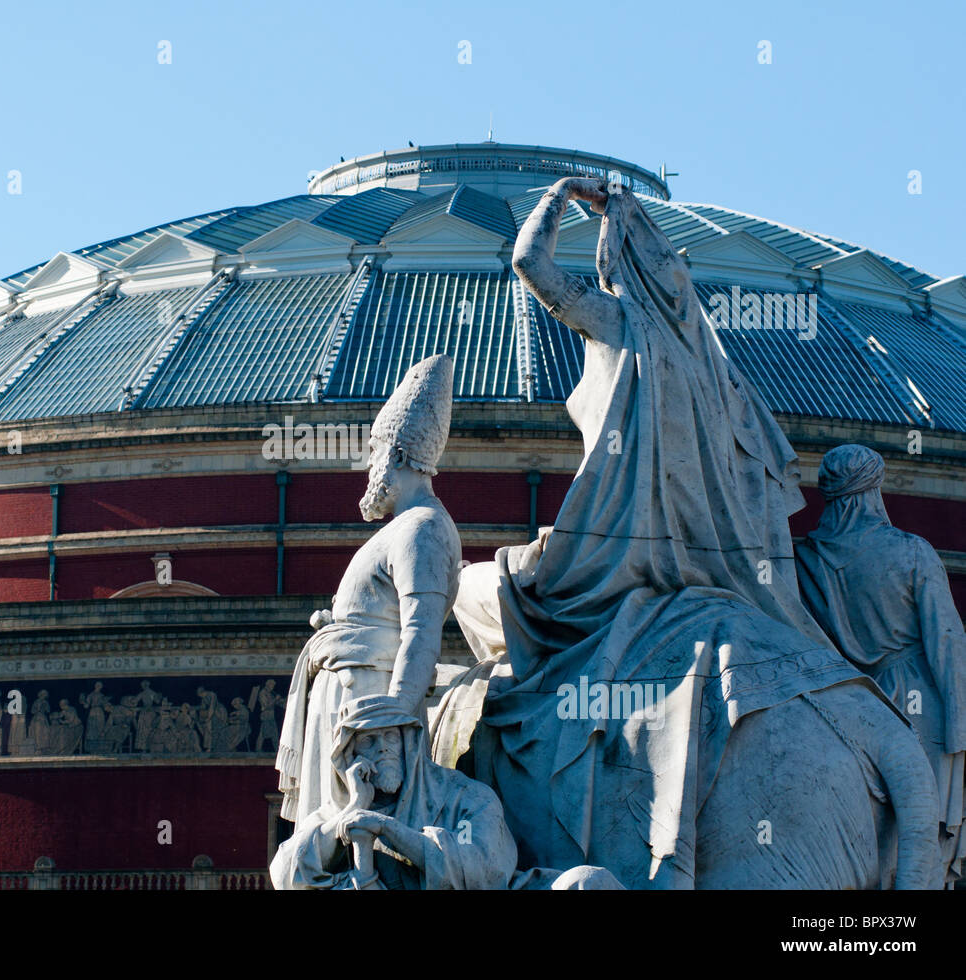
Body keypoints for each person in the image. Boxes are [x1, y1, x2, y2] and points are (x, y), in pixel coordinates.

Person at [442, 177, 883, 887]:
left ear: (618, 270)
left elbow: (529, 262)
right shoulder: (718, 374)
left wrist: (559, 198)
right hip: (711, 575)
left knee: (476, 588)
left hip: (599, 566)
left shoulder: (616, 322)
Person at [277, 355, 461, 825]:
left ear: (399, 455)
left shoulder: (422, 530)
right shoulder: (402, 528)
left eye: (375, 451)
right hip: (348, 694)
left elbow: (420, 633)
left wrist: (395, 718)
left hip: (368, 706)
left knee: (353, 830)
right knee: (328, 831)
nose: (368, 464)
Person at [796, 444, 966, 883]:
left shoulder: (804, 560)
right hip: (917, 702)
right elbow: (947, 642)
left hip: (843, 705)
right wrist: (960, 727)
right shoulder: (912, 551)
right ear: (874, 488)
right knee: (924, 828)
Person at [271, 694, 516, 890]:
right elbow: (285, 874)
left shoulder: (462, 796)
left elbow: (482, 869)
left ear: (407, 744)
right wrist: (354, 809)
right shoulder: (338, 810)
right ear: (349, 756)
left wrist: (388, 828)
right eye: (368, 741)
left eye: (390, 737)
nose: (383, 749)